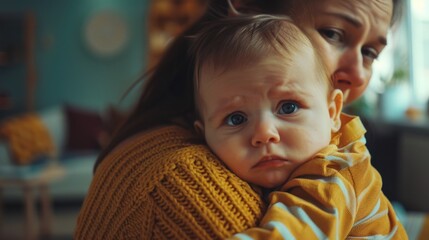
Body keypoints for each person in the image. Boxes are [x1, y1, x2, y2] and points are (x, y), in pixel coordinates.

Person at [75, 0, 405, 239]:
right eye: (333, 33)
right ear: (249, 10)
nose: (359, 75)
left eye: (370, 52)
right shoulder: (182, 184)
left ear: (333, 113)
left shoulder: (333, 168)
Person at [190, 14, 405, 239]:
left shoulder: (332, 174)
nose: (265, 133)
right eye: (236, 119)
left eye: (288, 107)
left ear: (332, 113)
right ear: (203, 135)